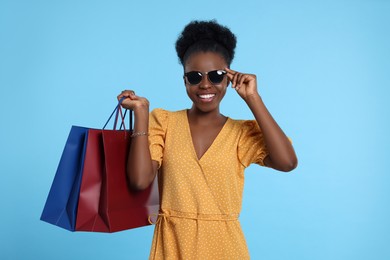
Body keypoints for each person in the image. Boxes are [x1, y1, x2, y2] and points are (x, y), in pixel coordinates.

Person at [118, 20, 297, 260]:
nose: (205, 84)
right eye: (194, 77)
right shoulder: (164, 122)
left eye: (216, 75)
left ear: (228, 78)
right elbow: (140, 181)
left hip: (225, 248)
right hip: (173, 246)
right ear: (184, 80)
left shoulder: (241, 133)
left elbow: (287, 162)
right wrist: (141, 112)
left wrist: (253, 97)